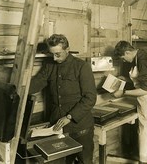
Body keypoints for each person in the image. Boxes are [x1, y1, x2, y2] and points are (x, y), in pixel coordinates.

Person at [29, 34, 97, 164]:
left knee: (85, 161)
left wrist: (70, 117)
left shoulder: (82, 67)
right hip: (57, 126)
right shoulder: (50, 65)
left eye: (58, 54)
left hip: (80, 128)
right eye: (52, 54)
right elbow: (36, 83)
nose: (54, 58)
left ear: (67, 49)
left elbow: (90, 98)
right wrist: (17, 90)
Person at [113, 41, 147, 164]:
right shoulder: (139, 56)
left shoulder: (144, 61)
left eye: (123, 58)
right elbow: (143, 79)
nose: (124, 61)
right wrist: (126, 79)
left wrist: (124, 92)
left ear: (127, 52)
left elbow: (143, 89)